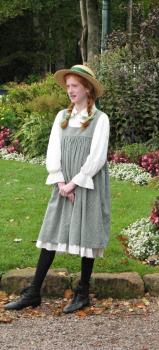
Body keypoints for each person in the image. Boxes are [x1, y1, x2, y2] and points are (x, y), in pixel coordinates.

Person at [5, 65, 110, 314]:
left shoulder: (100, 119)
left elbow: (98, 157)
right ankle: (33, 292)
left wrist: (76, 182)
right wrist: (61, 182)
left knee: (87, 231)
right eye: (68, 86)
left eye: (75, 86)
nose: (70, 90)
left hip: (87, 182)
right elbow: (53, 150)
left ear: (87, 88)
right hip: (64, 183)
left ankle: (82, 292)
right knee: (51, 231)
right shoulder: (62, 116)